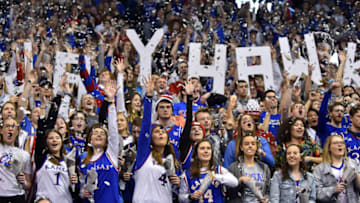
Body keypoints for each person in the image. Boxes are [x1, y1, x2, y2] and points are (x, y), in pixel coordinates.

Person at [132, 76, 180, 203]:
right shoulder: (144, 155)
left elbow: (178, 190)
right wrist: (148, 99)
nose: (160, 133)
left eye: (163, 131)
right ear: (150, 138)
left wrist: (178, 182)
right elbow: (146, 126)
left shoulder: (172, 160)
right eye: (157, 131)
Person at [79, 81, 121, 202]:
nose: (98, 135)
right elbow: (81, 187)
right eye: (95, 133)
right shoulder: (83, 159)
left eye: (102, 133)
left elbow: (113, 130)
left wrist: (111, 103)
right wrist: (83, 192)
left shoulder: (111, 154)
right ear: (89, 139)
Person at [34, 95, 78, 203]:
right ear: (46, 142)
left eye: (57, 138)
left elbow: (75, 192)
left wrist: (75, 183)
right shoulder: (42, 158)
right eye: (51, 138)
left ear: (62, 141)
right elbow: (40, 139)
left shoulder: (68, 161)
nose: (54, 140)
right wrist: (52, 112)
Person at [313, 134, 360, 202]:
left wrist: (354, 172)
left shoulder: (353, 163)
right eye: (335, 143)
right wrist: (333, 190)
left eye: (342, 143)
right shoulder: (319, 169)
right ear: (329, 148)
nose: (340, 145)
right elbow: (317, 194)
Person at [227, 134, 270, 203]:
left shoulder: (264, 167)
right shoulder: (234, 167)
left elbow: (268, 191)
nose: (250, 146)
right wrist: (239, 182)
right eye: (246, 144)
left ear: (256, 147)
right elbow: (229, 192)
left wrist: (266, 199)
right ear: (241, 147)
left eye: (253, 144)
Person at [0, 117, 32, 202]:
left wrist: (24, 181)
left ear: (17, 132)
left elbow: (28, 184)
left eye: (13, 127)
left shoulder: (24, 155)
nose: (10, 129)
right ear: (1, 130)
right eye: (7, 126)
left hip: (17, 196)